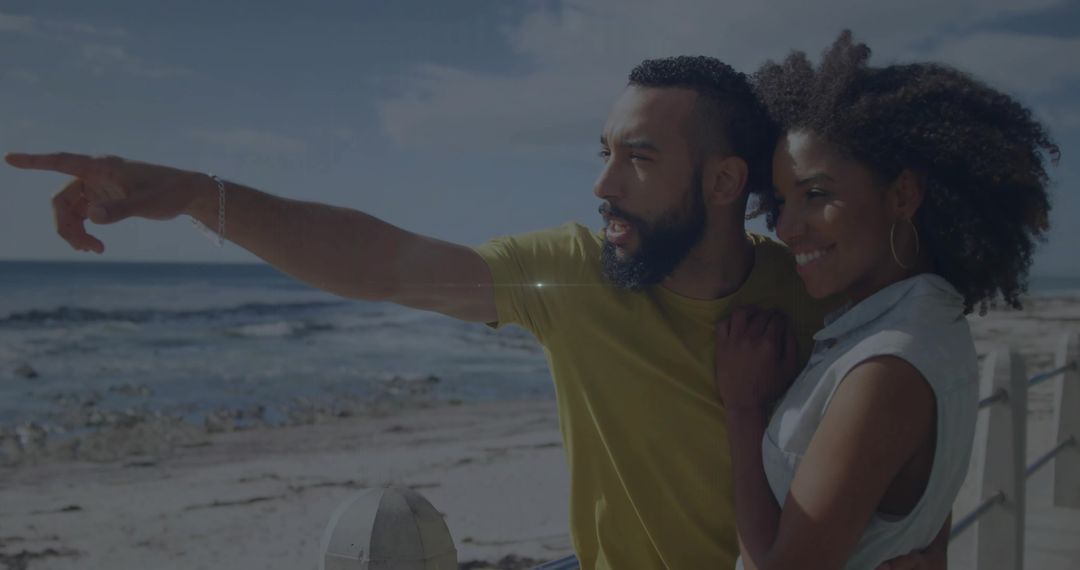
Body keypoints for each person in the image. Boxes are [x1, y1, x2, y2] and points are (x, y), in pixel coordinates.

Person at [6, 55, 943, 569]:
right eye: (603, 150)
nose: (601, 182)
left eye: (639, 159)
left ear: (725, 181)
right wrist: (183, 191)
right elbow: (381, 261)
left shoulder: (814, 297)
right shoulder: (571, 275)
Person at [713, 32, 1057, 569]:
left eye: (816, 194)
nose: (786, 227)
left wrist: (743, 408)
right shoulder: (930, 322)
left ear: (901, 194)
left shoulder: (885, 366)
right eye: (781, 202)